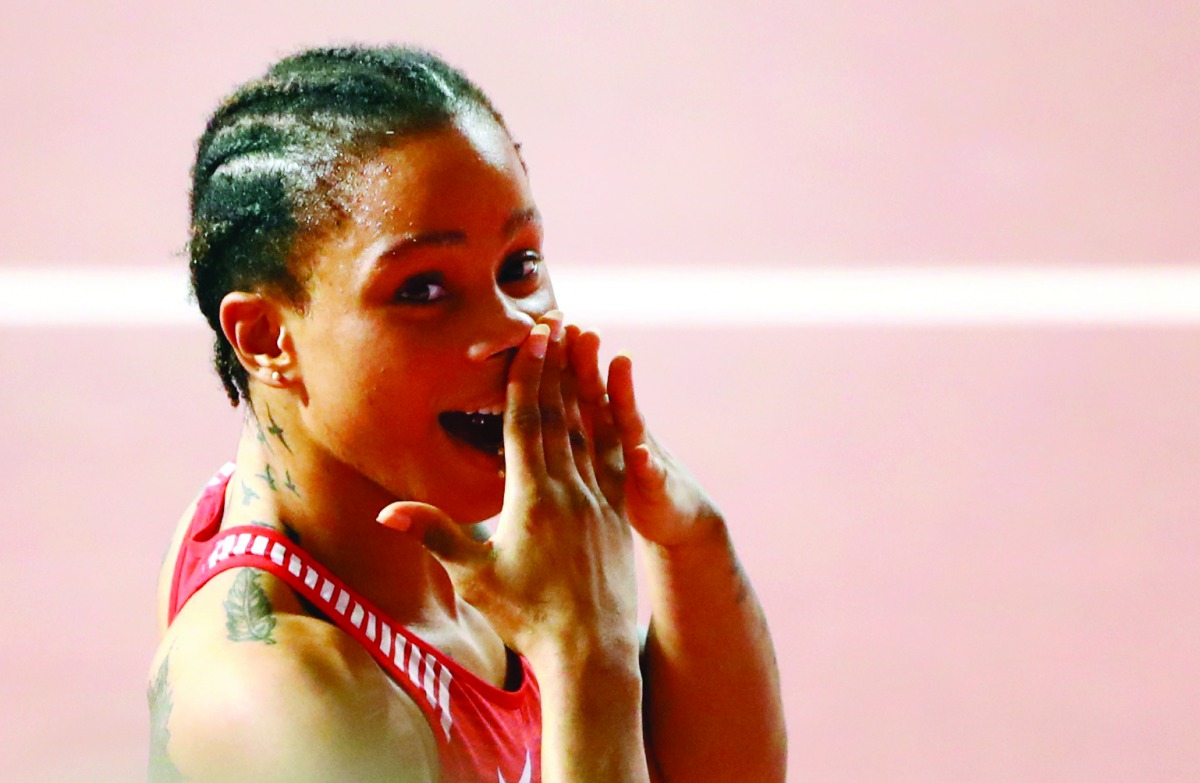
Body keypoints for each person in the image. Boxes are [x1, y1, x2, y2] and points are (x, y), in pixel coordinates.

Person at [148, 45, 785, 782]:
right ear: (266, 339)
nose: (516, 328)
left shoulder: (437, 505)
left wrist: (689, 540)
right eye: (421, 289)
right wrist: (588, 654)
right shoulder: (276, 701)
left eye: (518, 264)